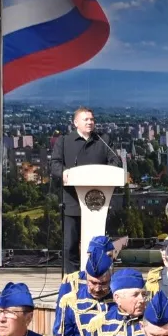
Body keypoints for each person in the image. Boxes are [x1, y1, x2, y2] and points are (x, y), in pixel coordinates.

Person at [48, 107, 118, 273]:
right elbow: (55, 164)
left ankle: (96, 277)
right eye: (85, 119)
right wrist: (63, 172)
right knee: (70, 245)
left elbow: (115, 161)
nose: (90, 122)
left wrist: (106, 173)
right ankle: (72, 280)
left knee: (97, 245)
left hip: (97, 205)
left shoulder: (103, 140)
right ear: (75, 123)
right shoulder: (64, 141)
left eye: (92, 119)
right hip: (72, 202)